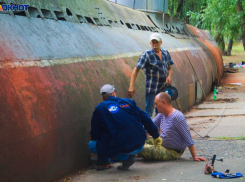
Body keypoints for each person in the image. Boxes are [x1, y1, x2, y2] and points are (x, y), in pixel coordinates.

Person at [88, 84, 162, 170]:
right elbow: (145, 118)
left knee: (92, 145)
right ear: (114, 94)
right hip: (140, 144)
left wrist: (101, 140)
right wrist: (156, 136)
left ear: (102, 98)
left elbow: (95, 132)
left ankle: (123, 158)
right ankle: (125, 157)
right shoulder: (129, 102)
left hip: (124, 147)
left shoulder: (100, 108)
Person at [139, 92, 207, 162]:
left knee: (142, 148)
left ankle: (135, 152)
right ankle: (134, 153)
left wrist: (194, 156)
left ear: (163, 102)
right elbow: (149, 126)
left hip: (173, 151)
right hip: (162, 144)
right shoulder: (161, 114)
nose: (155, 106)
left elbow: (188, 137)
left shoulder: (177, 117)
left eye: (156, 104)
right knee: (137, 141)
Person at [128, 33, 174, 117]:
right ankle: (146, 129)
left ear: (161, 42)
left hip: (164, 87)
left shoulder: (165, 53)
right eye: (153, 42)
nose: (155, 44)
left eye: (156, 42)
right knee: (149, 110)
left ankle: (161, 128)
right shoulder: (146, 55)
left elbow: (170, 68)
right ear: (150, 43)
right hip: (152, 89)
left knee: (163, 110)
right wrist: (131, 86)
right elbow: (136, 69)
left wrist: (169, 76)